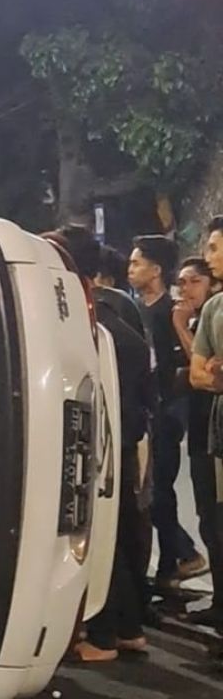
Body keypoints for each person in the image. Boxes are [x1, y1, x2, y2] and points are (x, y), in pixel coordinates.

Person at [49, 226, 151, 661]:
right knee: (120, 532)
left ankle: (104, 635)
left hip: (98, 447)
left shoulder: (91, 325)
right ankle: (127, 628)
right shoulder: (116, 316)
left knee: (97, 537)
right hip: (121, 444)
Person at [130, 235, 207, 587]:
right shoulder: (135, 309)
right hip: (147, 410)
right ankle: (173, 562)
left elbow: (186, 366)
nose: (131, 269)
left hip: (168, 411)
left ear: (155, 269)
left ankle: (183, 556)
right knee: (151, 491)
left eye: (137, 263)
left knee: (159, 489)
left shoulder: (172, 313)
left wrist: (165, 407)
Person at [173, 256, 223, 629]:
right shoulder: (212, 311)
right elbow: (198, 373)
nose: (185, 289)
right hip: (207, 430)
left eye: (193, 281)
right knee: (211, 517)